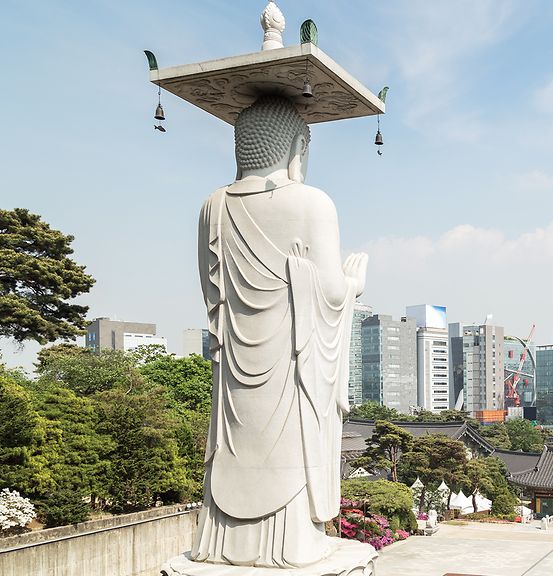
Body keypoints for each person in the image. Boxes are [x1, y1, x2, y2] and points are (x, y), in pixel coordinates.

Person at [191, 95, 368, 568]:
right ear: (295, 147)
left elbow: (214, 297)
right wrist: (353, 286)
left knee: (236, 450)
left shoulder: (212, 207)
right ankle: (292, 541)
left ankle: (223, 544)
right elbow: (330, 292)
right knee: (294, 444)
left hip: (234, 380)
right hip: (291, 368)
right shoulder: (312, 204)